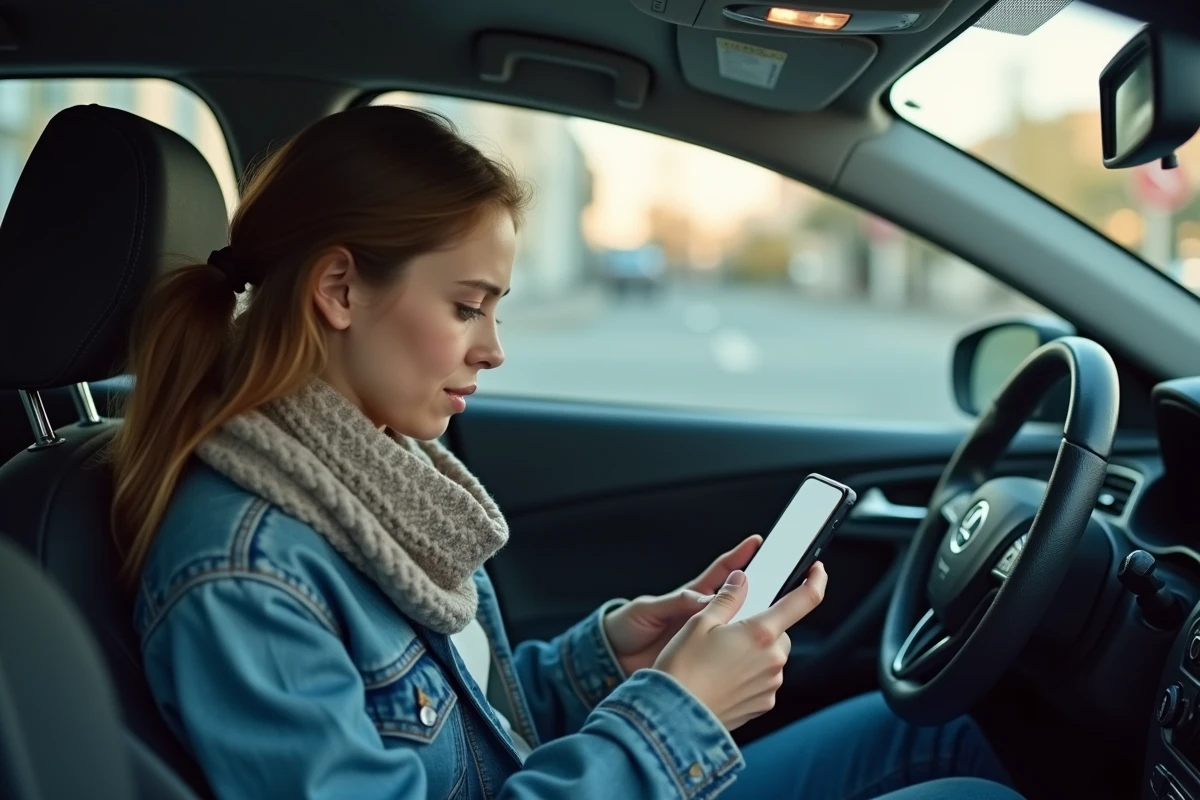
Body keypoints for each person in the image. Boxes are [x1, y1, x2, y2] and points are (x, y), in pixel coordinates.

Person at [111, 105, 1020, 800]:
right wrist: (677, 714)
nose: (493, 349)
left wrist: (612, 658)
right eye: (468, 305)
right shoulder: (246, 574)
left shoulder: (371, 479)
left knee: (933, 732)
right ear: (341, 289)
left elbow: (469, 730)